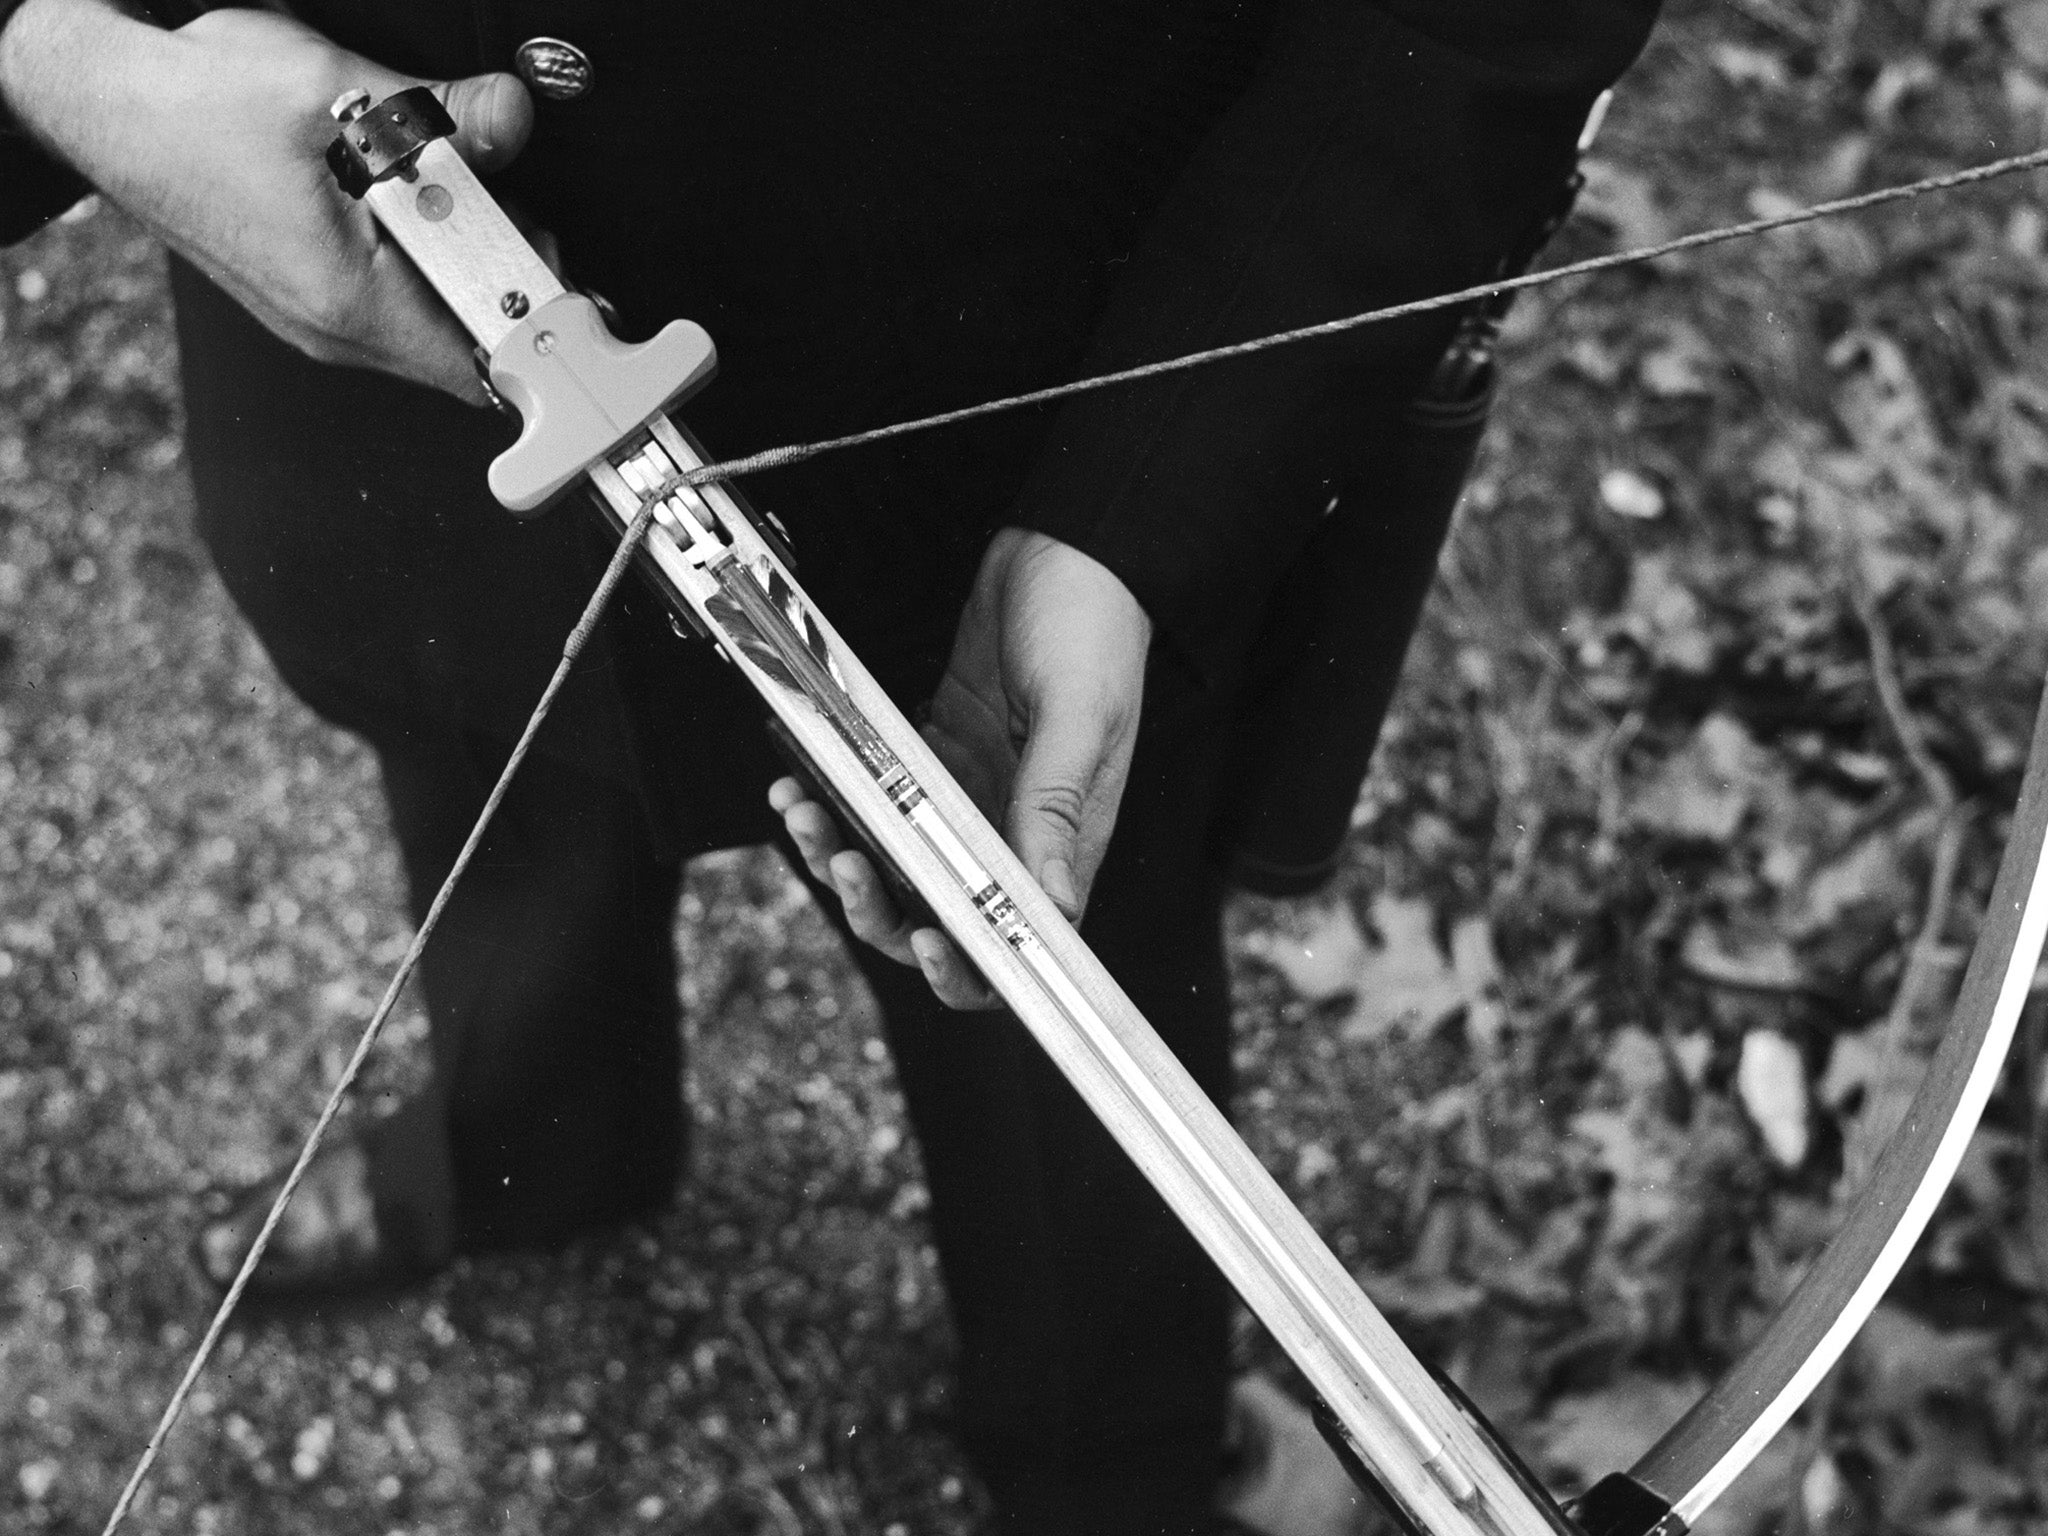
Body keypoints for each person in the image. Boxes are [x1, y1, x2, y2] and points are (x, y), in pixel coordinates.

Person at [0, 2, 1659, 1531]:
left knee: (1045, 987)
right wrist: (71, 70)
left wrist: (1142, 505)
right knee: (497, 820)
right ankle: (540, 1151)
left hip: (1024, 417)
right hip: (394, 425)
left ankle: (1119, 1469)